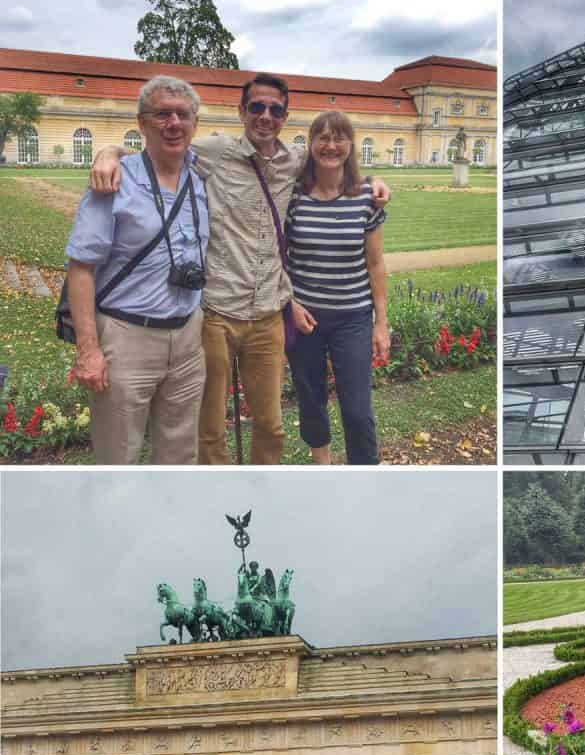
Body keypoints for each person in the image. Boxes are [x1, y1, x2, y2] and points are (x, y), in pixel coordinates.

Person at [90, 72, 391, 464]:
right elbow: (162, 148)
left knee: (271, 426)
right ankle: (220, 496)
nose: (266, 116)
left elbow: (335, 161)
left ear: (285, 116)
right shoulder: (215, 152)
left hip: (267, 315)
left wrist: (375, 181)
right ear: (242, 111)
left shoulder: (294, 161)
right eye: (257, 107)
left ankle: (259, 494)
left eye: (275, 109)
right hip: (217, 312)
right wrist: (110, 152)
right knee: (210, 427)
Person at [66, 75, 208, 464]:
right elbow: (80, 267)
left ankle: (170, 524)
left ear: (195, 123)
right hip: (127, 338)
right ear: (142, 123)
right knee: (119, 456)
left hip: (187, 338)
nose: (174, 123)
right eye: (162, 114)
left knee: (180, 454)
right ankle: (118, 525)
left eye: (182, 115)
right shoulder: (114, 181)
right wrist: (89, 350)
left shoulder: (199, 177)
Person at [284, 111, 389, 464]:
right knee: (311, 400)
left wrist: (381, 323)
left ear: (350, 145)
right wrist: (291, 304)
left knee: (358, 409)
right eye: (323, 138)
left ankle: (364, 473)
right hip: (305, 318)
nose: (331, 146)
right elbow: (280, 259)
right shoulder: (294, 196)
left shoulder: (366, 196)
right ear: (311, 144)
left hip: (352, 318)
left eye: (339, 138)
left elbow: (375, 263)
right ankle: (323, 468)